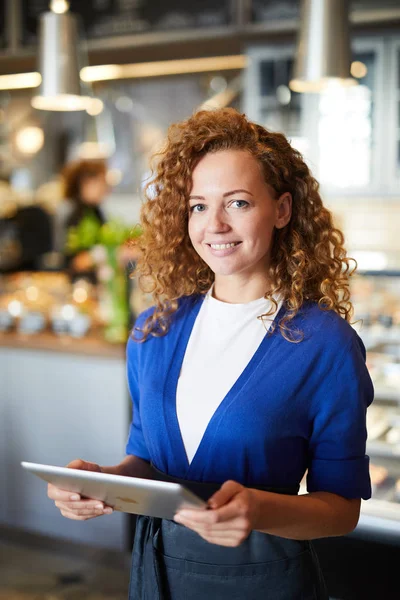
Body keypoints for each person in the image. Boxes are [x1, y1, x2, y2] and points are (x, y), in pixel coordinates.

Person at [47, 108, 373, 599]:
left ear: (282, 210)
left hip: (266, 581)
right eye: (198, 206)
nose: (215, 224)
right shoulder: (154, 330)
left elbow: (341, 509)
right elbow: (148, 460)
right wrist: (104, 483)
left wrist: (258, 511)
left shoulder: (325, 344)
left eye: (237, 202)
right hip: (156, 576)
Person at [56, 158, 109, 278]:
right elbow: (72, 259)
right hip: (74, 281)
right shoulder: (70, 212)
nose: (104, 188)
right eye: (101, 182)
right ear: (85, 182)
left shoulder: (96, 211)